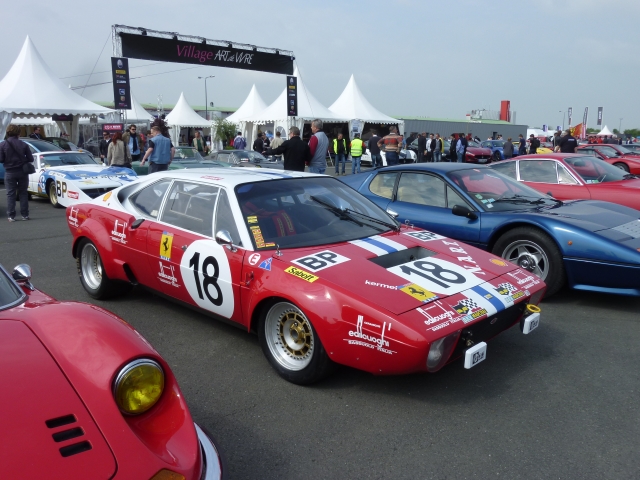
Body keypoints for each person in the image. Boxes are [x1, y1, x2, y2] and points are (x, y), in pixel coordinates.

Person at [0, 125, 33, 221]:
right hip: (22, 171)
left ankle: (11, 216)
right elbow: (30, 159)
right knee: (23, 193)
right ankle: (25, 215)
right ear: (19, 133)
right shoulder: (23, 144)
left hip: (10, 172)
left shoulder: (2, 145)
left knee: (10, 194)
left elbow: (1, 159)